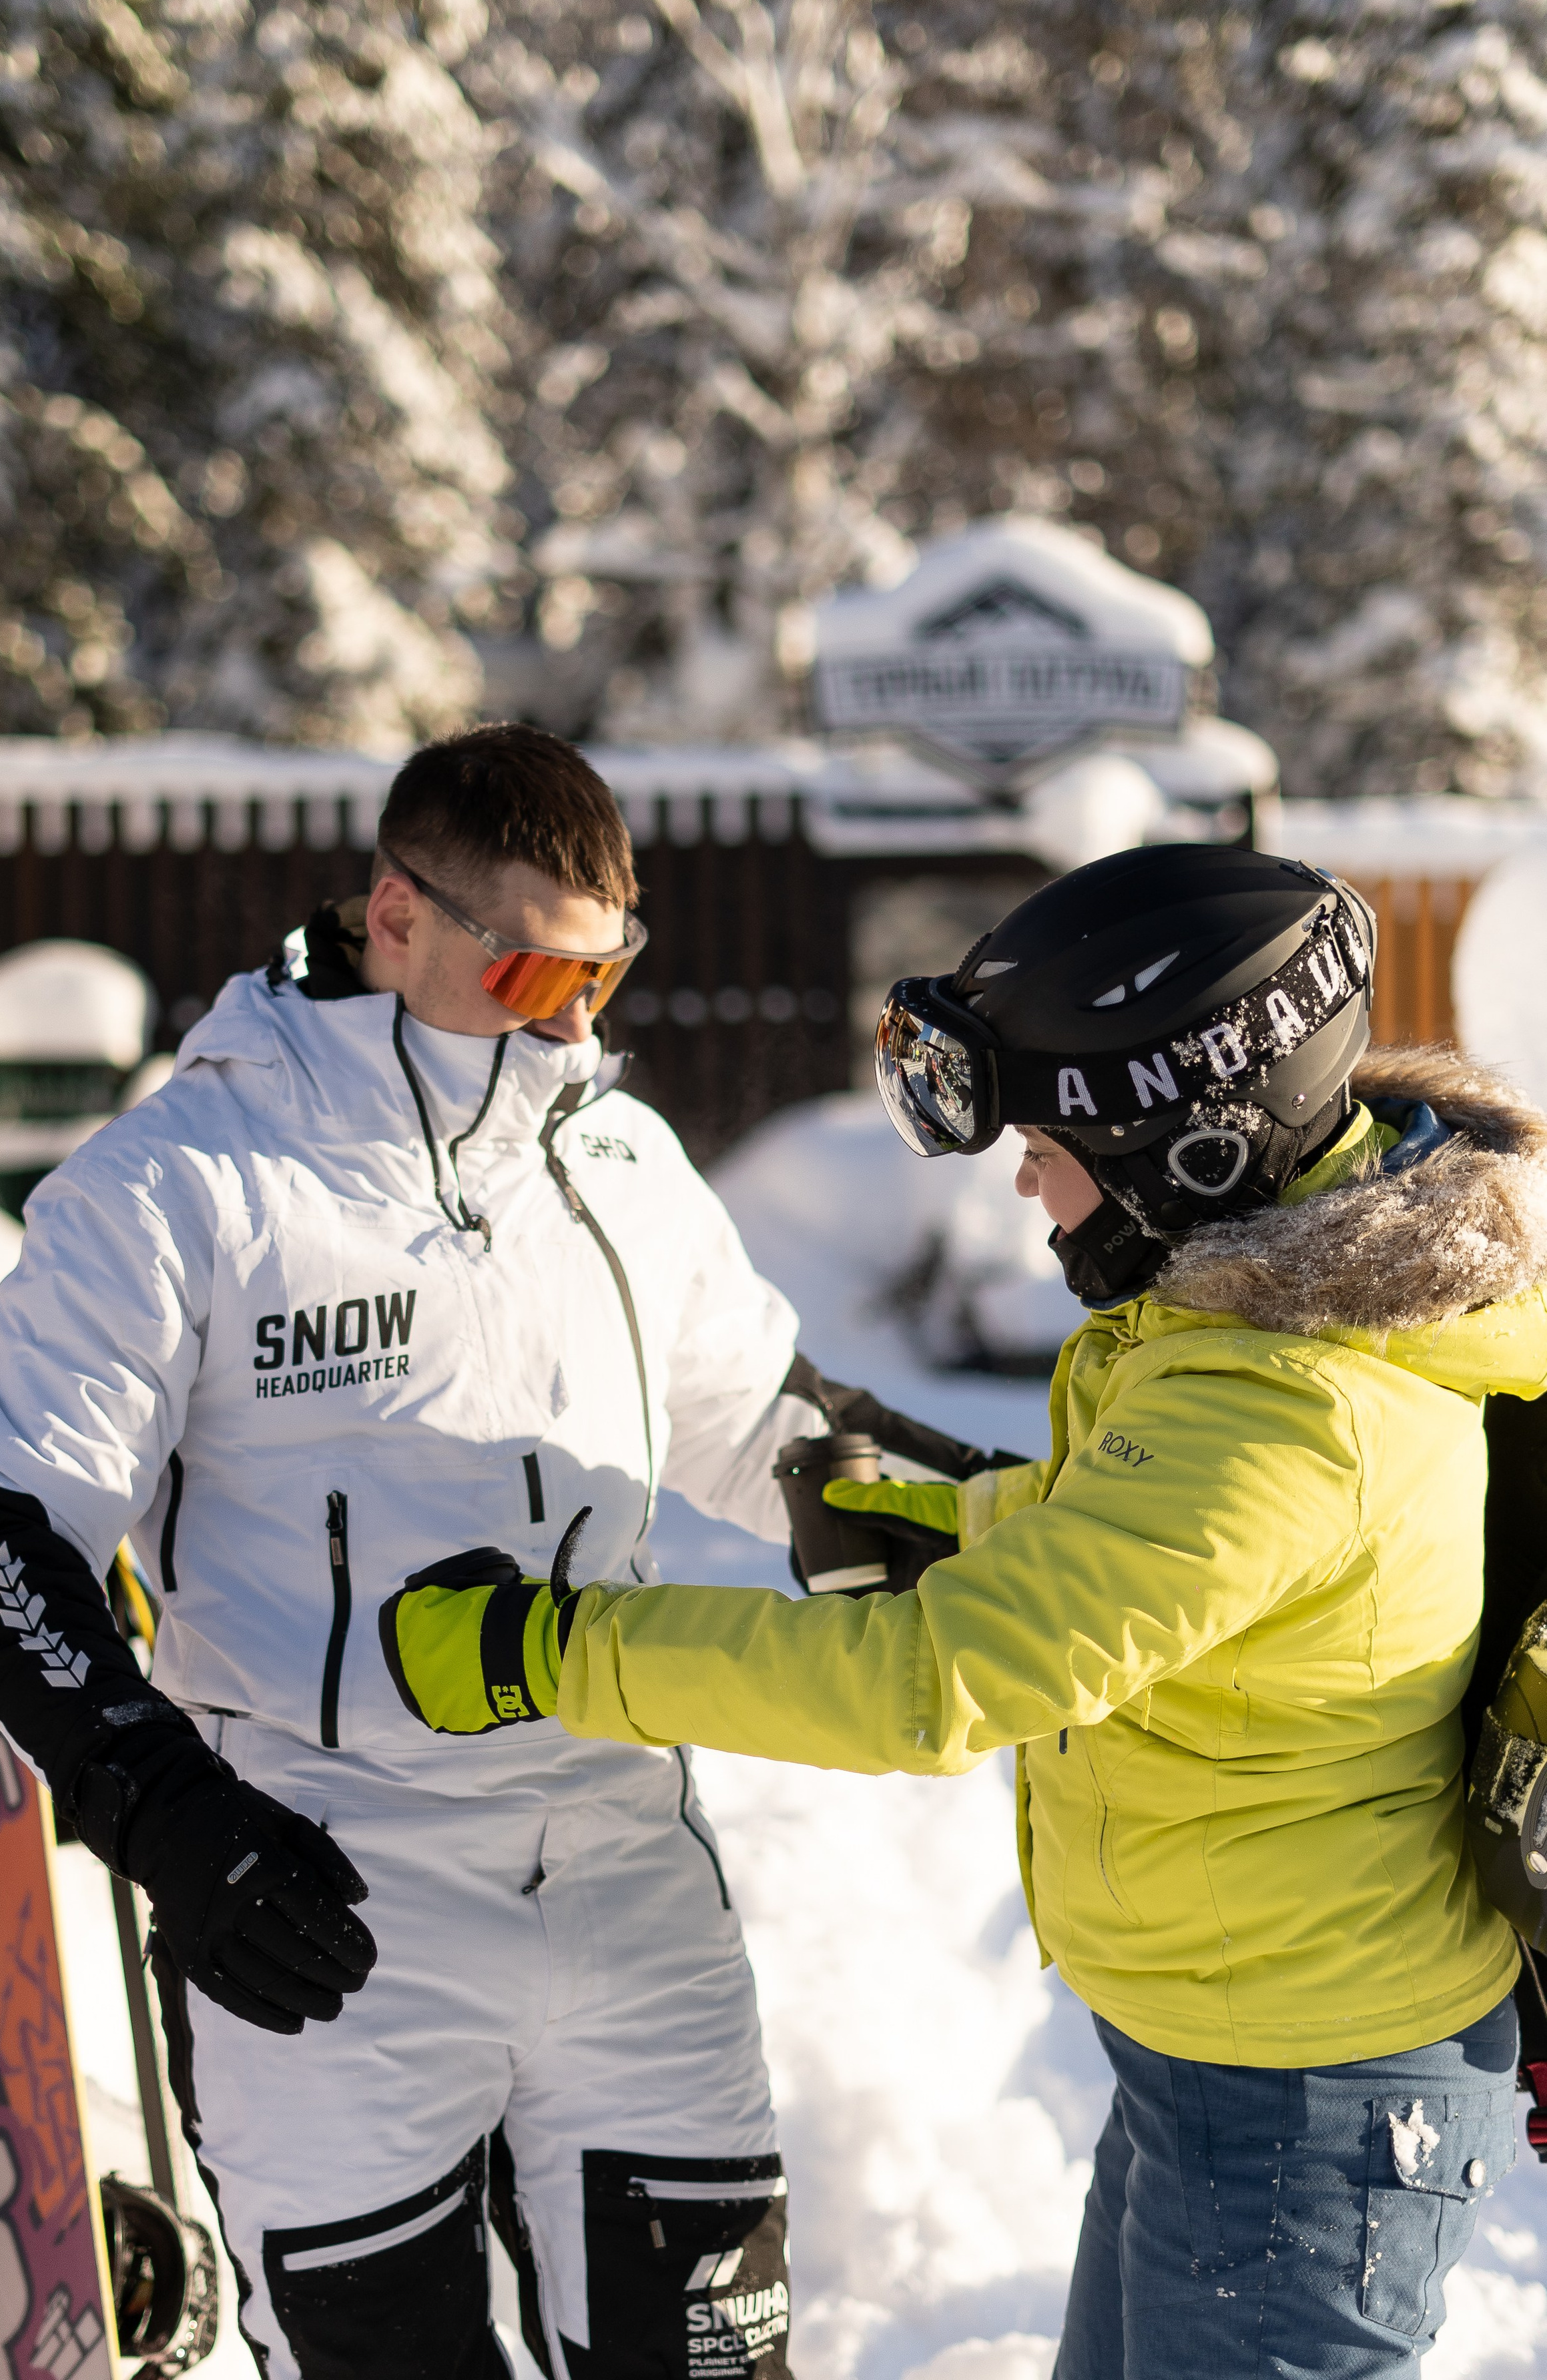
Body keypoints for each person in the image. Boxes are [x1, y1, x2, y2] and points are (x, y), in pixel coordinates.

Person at [386, 842, 1547, 2380]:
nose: (1020, 1176)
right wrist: (955, 1521)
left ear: (1184, 1148)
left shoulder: (1281, 1406)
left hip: (1300, 2100)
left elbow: (930, 1686)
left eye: (1046, 1139)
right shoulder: (1273, 1305)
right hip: (1226, 2044)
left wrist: (550, 1651)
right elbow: (1183, 1555)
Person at [0, 723, 870, 2380]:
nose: (573, 1023)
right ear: (395, 917)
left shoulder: (617, 1160)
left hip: (627, 1877)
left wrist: (988, 1521)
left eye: (605, 974)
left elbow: (761, 1424)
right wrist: (168, 1815)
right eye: (525, 978)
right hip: (321, 1898)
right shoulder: (179, 1188)